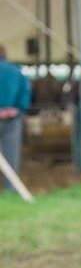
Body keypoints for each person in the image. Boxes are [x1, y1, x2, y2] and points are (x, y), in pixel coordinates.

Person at [0, 45, 31, 192]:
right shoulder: (16, 71)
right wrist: (18, 109)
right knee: (11, 155)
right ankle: (10, 189)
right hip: (12, 117)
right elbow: (26, 92)